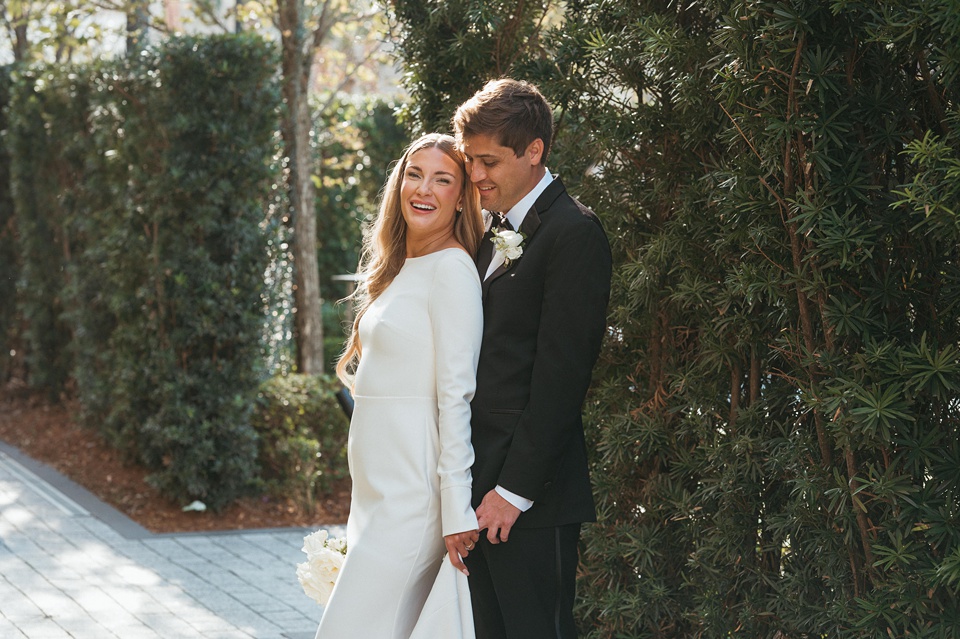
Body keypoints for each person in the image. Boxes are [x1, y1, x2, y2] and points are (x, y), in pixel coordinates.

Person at [453, 79, 612, 639]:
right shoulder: (484, 230)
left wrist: (511, 493)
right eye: (470, 159)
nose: (476, 175)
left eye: (489, 161)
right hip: (474, 488)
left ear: (534, 150)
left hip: (529, 498)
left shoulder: (575, 234)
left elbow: (561, 380)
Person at [315, 133, 484, 639]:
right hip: (376, 492)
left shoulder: (452, 269)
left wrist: (457, 510)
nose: (424, 189)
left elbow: (457, 396)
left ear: (461, 197)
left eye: (442, 179)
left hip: (414, 499)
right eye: (415, 174)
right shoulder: (400, 268)